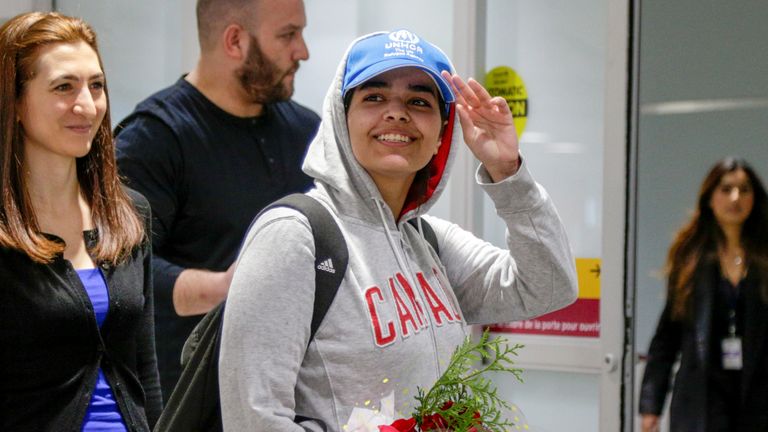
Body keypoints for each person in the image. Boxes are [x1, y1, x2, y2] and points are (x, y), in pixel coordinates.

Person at [218, 29, 578, 431]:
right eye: (373, 97)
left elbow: (548, 285)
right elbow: (254, 420)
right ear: (342, 116)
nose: (396, 113)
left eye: (419, 101)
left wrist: (508, 172)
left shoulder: (428, 242)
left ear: (442, 131)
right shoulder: (294, 237)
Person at [115, 0, 319, 399]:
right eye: (288, 34)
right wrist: (226, 287)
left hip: (295, 395)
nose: (303, 51)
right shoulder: (154, 139)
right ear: (234, 41)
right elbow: (121, 271)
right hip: (195, 399)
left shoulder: (308, 132)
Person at [0, 11, 161, 431]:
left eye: (96, 85)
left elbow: (144, 370)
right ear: (14, 103)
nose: (87, 106)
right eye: (63, 87)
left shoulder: (128, 214)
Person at [639, 157, 768, 432]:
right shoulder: (691, 260)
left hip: (758, 396)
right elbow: (666, 338)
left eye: (745, 190)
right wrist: (651, 405)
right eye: (726, 189)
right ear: (710, 198)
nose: (736, 197)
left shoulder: (764, 259)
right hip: (702, 397)